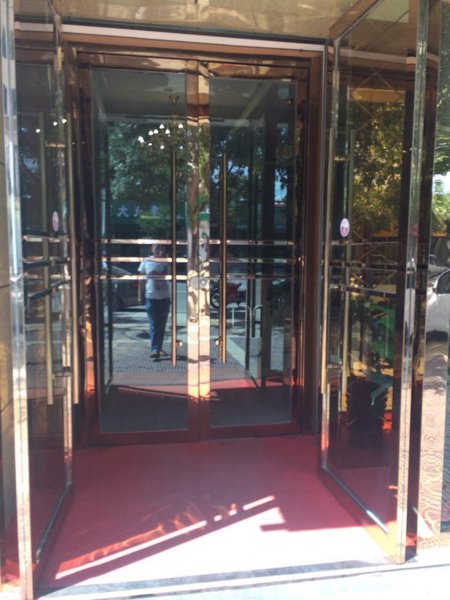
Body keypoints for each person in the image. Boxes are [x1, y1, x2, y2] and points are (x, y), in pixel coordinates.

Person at [138, 244, 170, 360]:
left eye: (162, 247)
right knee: (154, 324)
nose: (160, 250)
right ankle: (155, 349)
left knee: (161, 325)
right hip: (151, 298)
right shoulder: (146, 261)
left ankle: (157, 347)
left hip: (164, 298)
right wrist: (140, 295)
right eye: (157, 248)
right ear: (152, 249)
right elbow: (141, 280)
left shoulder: (167, 262)